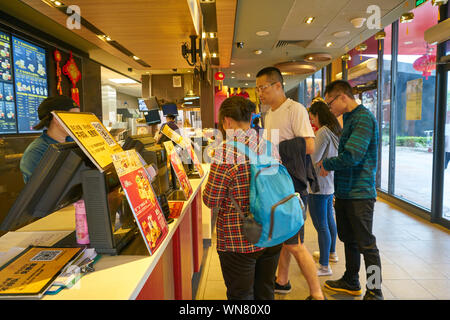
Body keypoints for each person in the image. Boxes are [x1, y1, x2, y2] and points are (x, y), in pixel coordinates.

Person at [203, 96, 282, 300]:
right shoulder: (269, 146)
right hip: (272, 232)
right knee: (265, 291)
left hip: (239, 239)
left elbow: (211, 200)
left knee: (241, 295)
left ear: (227, 121)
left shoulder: (225, 152)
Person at [256, 66, 324, 300]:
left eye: (262, 88)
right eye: (257, 89)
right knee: (284, 237)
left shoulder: (294, 109)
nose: (259, 93)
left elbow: (310, 145)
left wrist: (275, 149)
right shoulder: (269, 114)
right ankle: (282, 281)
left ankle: (317, 294)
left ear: (278, 85)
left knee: (295, 243)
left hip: (293, 185)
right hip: (277, 182)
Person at [319, 80, 383, 300]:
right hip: (346, 192)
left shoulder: (363, 118)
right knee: (350, 239)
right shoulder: (349, 118)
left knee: (367, 244)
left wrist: (327, 164)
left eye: (330, 103)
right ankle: (351, 279)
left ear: (342, 97)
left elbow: (353, 156)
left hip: (360, 193)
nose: (330, 108)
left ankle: (375, 289)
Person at [308, 101, 341, 277]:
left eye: (312, 116)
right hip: (329, 184)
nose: (311, 120)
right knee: (328, 220)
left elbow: (314, 159)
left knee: (321, 225)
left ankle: (324, 266)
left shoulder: (322, 132)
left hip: (318, 186)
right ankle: (331, 253)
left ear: (317, 115)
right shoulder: (334, 131)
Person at [20, 95, 80, 183]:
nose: (79, 121)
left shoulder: (74, 142)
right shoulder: (36, 152)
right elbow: (41, 191)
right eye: (74, 116)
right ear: (57, 118)